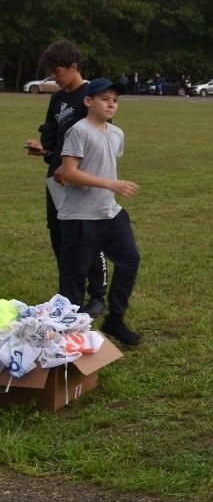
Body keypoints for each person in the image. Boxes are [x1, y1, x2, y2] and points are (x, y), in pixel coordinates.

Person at [55, 78, 144, 347]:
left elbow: (103, 163)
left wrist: (109, 187)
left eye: (115, 100)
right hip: (79, 217)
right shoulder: (78, 131)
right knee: (74, 278)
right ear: (88, 101)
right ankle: (65, 337)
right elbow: (68, 172)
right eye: (105, 99)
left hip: (109, 213)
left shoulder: (117, 134)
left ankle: (114, 319)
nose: (111, 104)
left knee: (130, 259)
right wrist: (111, 184)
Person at [24, 41, 108, 318]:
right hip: (56, 181)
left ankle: (97, 296)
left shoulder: (93, 95)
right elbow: (53, 134)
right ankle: (69, 296)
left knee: (87, 238)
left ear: (73, 67)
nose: (54, 76)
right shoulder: (57, 98)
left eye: (57, 70)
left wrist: (73, 165)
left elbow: (100, 138)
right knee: (60, 237)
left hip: (82, 181)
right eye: (50, 71)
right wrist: (45, 151)